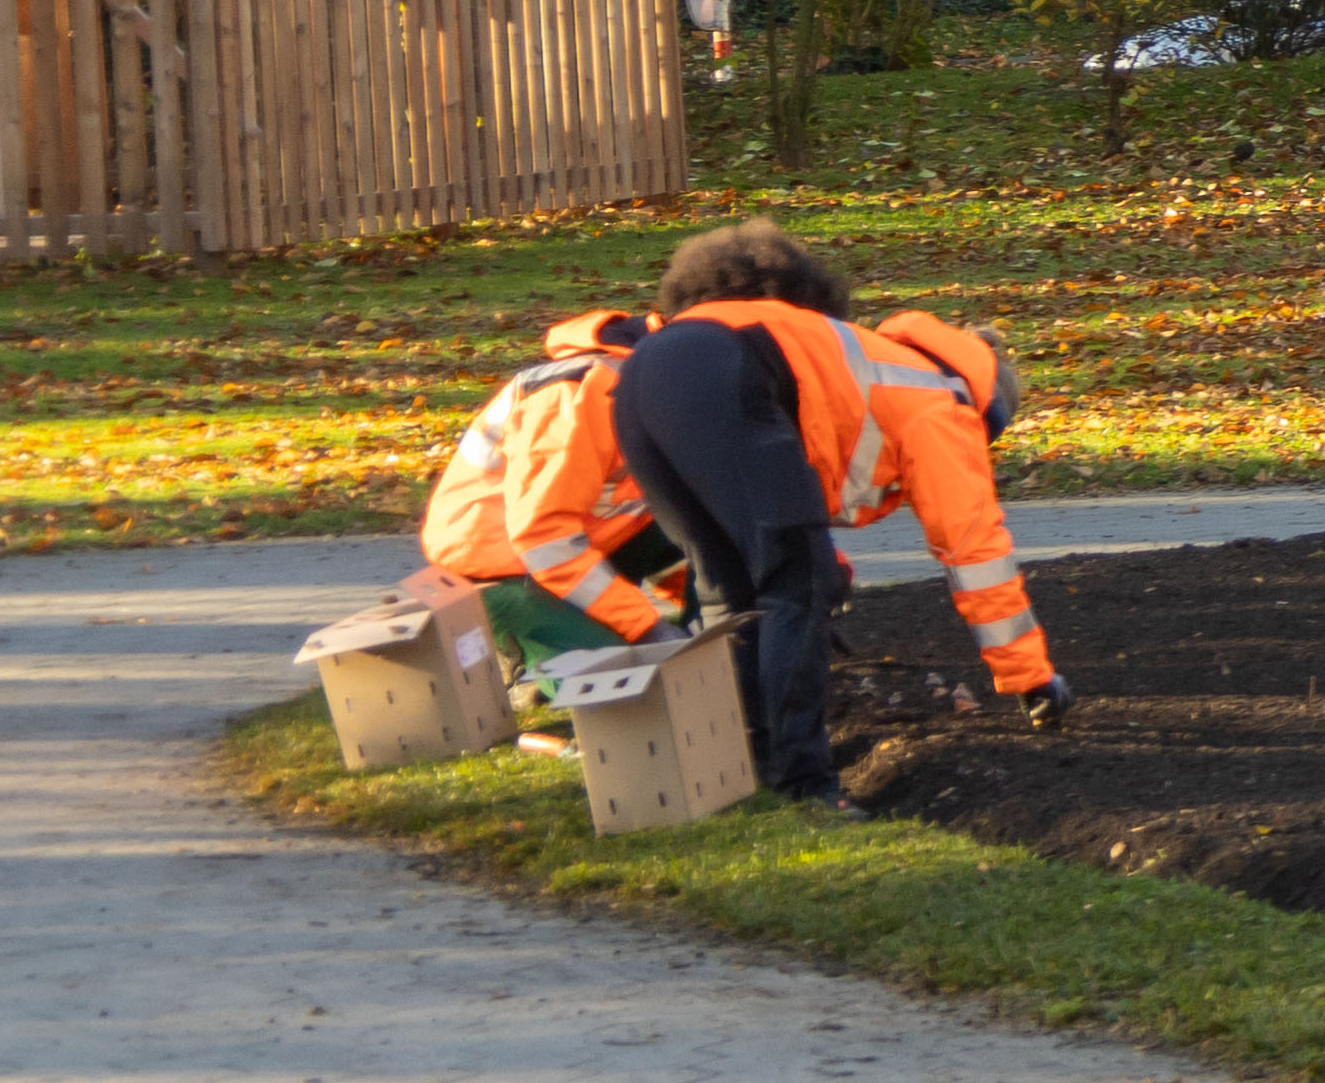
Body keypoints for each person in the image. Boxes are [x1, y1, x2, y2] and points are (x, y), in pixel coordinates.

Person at [604, 219, 1064, 811]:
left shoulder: (869, 357)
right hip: (719, 370)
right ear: (990, 405)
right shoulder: (942, 402)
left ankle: (735, 771)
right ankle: (807, 789)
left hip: (644, 373)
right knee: (798, 585)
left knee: (730, 592)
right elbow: (974, 550)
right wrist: (1030, 676)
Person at [415, 306, 677, 679]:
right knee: (617, 678)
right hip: (500, 570)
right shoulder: (574, 397)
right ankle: (519, 651)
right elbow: (543, 536)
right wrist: (646, 627)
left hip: (568, 550)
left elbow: (671, 525)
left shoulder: (660, 380)